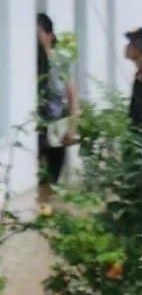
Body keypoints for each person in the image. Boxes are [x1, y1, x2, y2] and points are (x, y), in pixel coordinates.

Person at [36, 13, 79, 187]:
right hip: (36, 129)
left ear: (49, 35)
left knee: (52, 181)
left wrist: (72, 128)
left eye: (38, 33)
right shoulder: (28, 61)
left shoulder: (59, 61)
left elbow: (72, 95)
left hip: (56, 128)